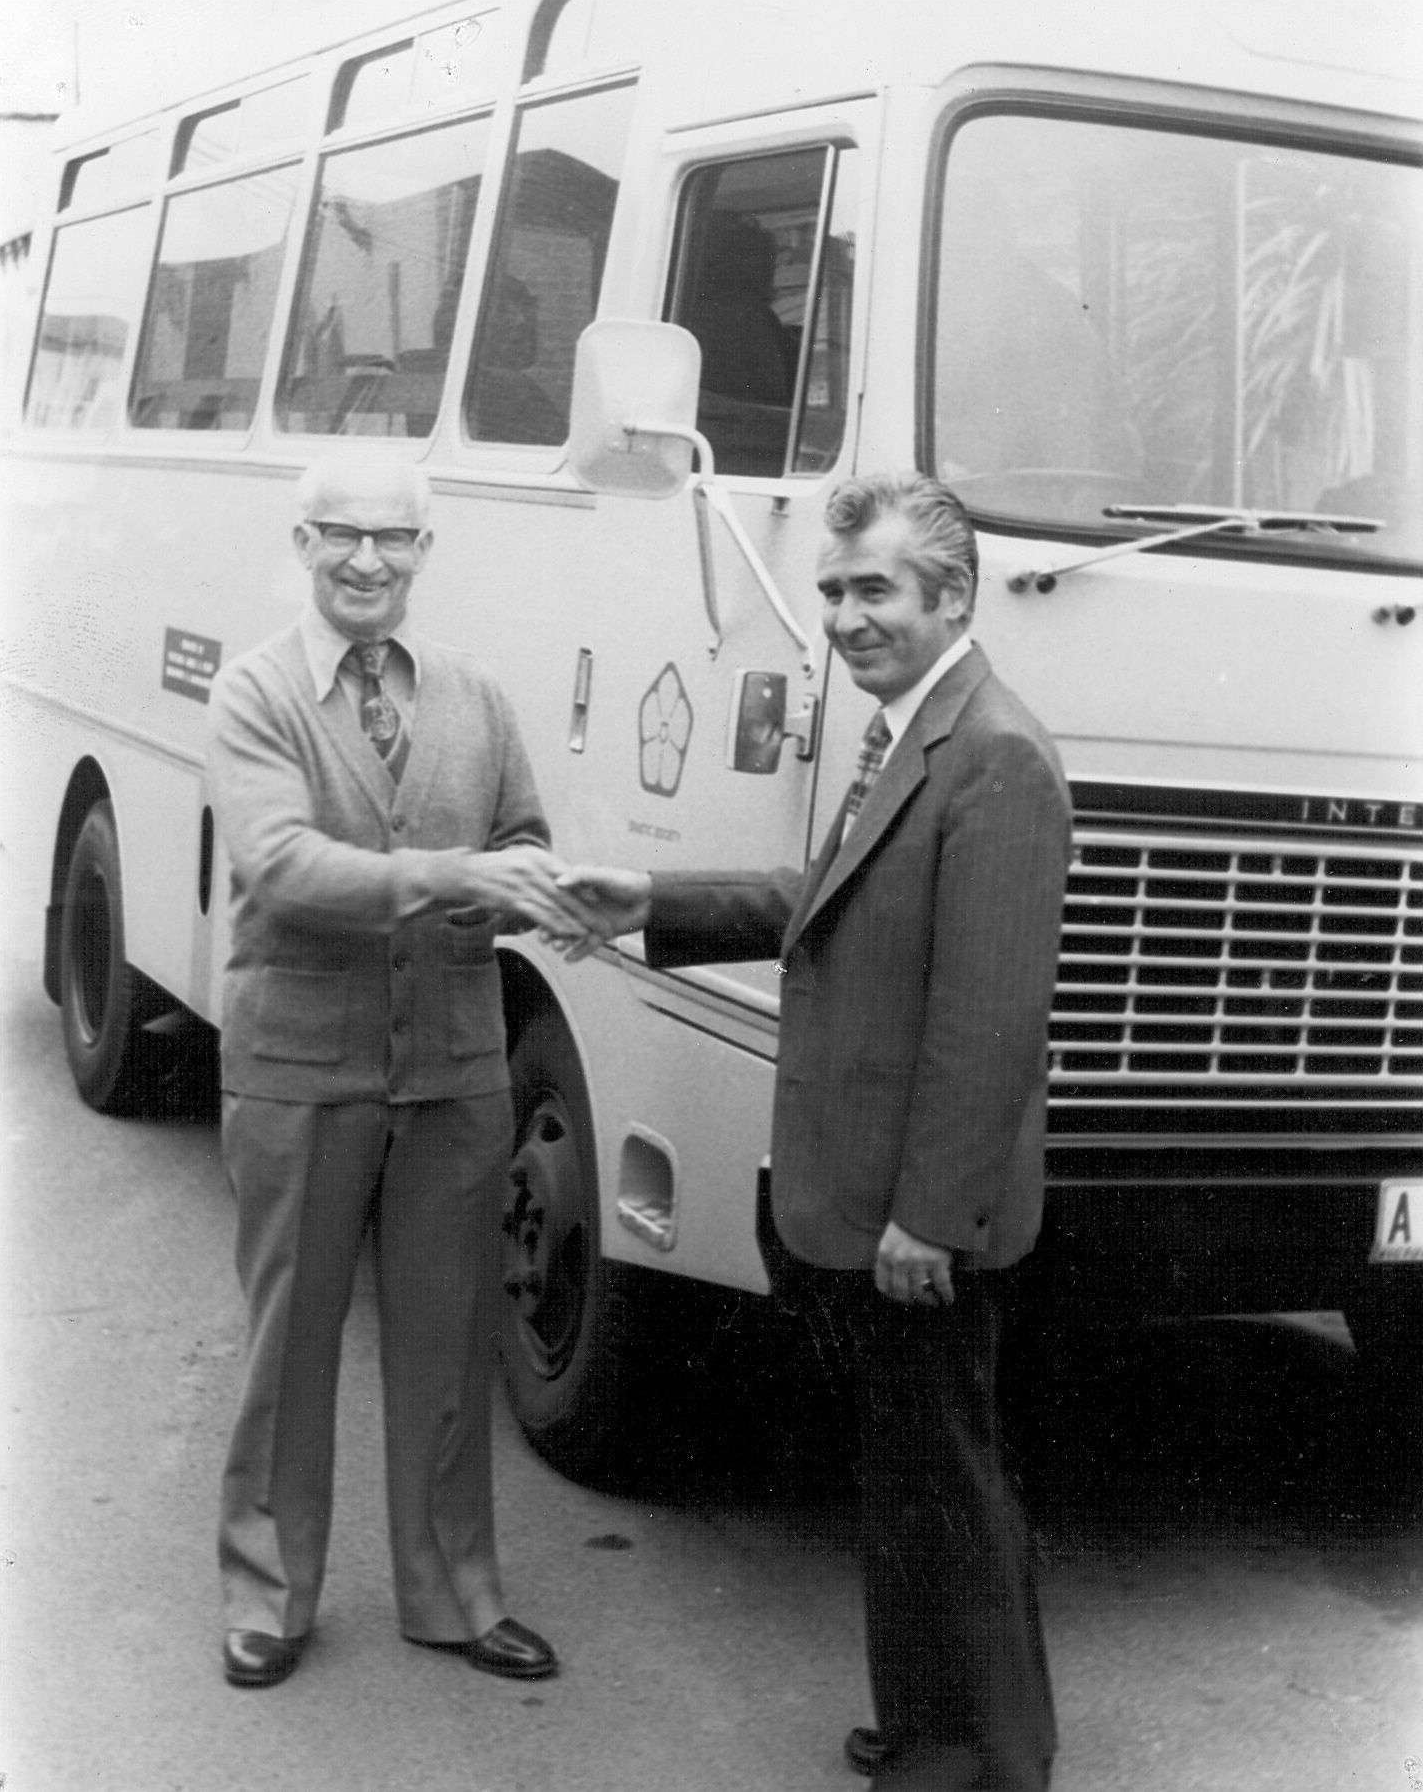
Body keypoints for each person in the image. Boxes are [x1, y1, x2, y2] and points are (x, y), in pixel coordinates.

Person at [558, 476, 1071, 1791]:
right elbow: (833, 894)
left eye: (876, 590)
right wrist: (657, 898)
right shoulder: (917, 729)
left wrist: (927, 1219)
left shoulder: (994, 754)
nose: (844, 616)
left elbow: (989, 1024)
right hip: (876, 1189)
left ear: (951, 596)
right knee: (914, 1472)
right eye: (835, 590)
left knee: (945, 1482)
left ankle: (984, 1757)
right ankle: (927, 1722)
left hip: (921, 1213)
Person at [207, 450, 598, 1691]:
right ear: (303, 541)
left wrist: (539, 886)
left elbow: (521, 833)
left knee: (445, 1338)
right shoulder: (256, 692)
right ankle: (268, 1591)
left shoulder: (475, 697)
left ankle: (452, 1592)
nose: (366, 559)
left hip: (453, 1067)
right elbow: (280, 866)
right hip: (301, 1066)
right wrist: (457, 873)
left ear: (428, 552)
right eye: (341, 535)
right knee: (292, 1340)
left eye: (392, 538)